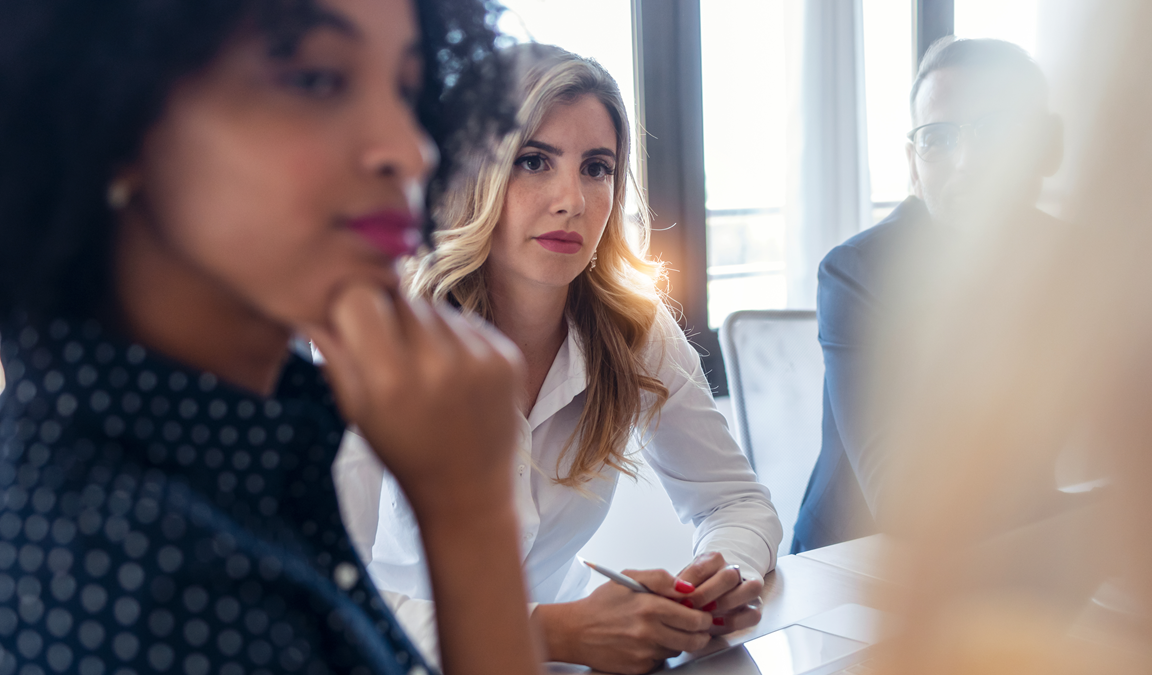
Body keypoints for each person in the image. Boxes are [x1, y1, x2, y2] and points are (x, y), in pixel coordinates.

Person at [0, 1, 543, 674]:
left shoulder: (226, 444)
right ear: (111, 113)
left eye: (406, 90)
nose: (411, 149)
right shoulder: (152, 580)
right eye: (316, 80)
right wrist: (471, 516)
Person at [361, 44, 783, 675]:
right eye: (534, 161)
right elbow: (306, 584)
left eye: (597, 168)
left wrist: (721, 577)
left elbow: (735, 505)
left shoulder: (632, 329)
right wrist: (549, 632)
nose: (572, 200)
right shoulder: (377, 333)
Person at [792, 37, 1065, 553]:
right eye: (938, 140)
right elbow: (906, 500)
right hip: (861, 569)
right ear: (914, 165)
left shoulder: (1078, 260)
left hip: (1019, 550)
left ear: (1046, 146)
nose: (966, 163)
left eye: (996, 131)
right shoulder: (860, 273)